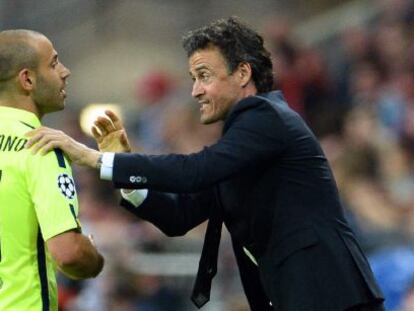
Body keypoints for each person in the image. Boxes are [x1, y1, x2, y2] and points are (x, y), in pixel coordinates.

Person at [26, 18, 385, 310]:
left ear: (243, 74)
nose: (195, 90)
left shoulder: (265, 116)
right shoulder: (243, 142)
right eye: (193, 78)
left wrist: (99, 158)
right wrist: (129, 180)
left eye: (204, 76)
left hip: (330, 296)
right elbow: (178, 217)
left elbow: (194, 170)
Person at [0, 29, 104, 310]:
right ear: (27, 79)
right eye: (54, 63)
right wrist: (91, 254)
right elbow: (69, 254)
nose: (65, 71)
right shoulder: (40, 147)